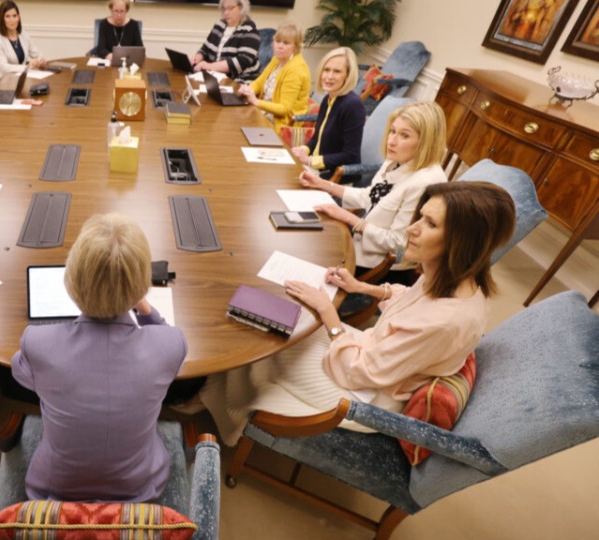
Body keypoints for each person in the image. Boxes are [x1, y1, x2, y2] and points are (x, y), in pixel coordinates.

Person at [197, 181, 516, 445]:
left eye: (430, 224)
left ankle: (218, 407)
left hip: (366, 395)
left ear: (463, 242)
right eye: (420, 217)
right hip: (373, 357)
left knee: (272, 341)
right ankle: (212, 392)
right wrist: (362, 287)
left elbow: (359, 373)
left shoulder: (446, 321)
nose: (412, 229)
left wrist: (329, 314)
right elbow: (410, 300)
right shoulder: (459, 281)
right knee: (283, 323)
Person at [11, 213, 187, 501]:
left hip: (55, 493)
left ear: (72, 280)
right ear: (141, 286)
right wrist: (144, 309)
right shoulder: (171, 344)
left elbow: (20, 373)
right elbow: (165, 338)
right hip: (140, 491)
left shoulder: (37, 343)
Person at [298, 100, 448, 279]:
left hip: (380, 266)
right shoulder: (398, 159)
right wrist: (324, 185)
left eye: (404, 135)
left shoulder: (425, 183)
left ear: (425, 142)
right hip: (359, 244)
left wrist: (350, 219)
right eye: (393, 131)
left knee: (304, 255)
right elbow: (369, 196)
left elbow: (399, 243)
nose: (391, 141)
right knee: (303, 237)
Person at [290, 47, 365, 183]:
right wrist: (303, 150)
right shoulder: (328, 99)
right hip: (316, 170)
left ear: (347, 75)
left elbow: (350, 155)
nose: (329, 76)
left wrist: (310, 161)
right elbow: (317, 139)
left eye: (337, 71)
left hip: (336, 178)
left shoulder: (353, 105)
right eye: (326, 70)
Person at [236, 22, 311, 130]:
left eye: (286, 43)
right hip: (265, 113)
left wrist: (256, 102)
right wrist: (247, 90)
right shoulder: (277, 58)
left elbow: (284, 109)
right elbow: (259, 83)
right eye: (278, 41)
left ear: (296, 47)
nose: (280, 46)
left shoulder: (296, 69)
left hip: (281, 123)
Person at [193, 0, 261, 83]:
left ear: (241, 7)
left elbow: (241, 61)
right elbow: (205, 49)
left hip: (241, 81)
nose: (226, 13)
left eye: (230, 8)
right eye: (224, 8)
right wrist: (197, 58)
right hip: (216, 78)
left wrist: (209, 66)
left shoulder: (250, 30)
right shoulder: (219, 25)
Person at [0, 0, 46, 81]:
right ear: (2, 19)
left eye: (14, 16)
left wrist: (41, 61)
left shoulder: (24, 34)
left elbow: (37, 54)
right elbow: (4, 67)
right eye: (7, 16)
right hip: (3, 80)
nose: (12, 20)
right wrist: (27, 67)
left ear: (18, 17)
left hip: (20, 79)